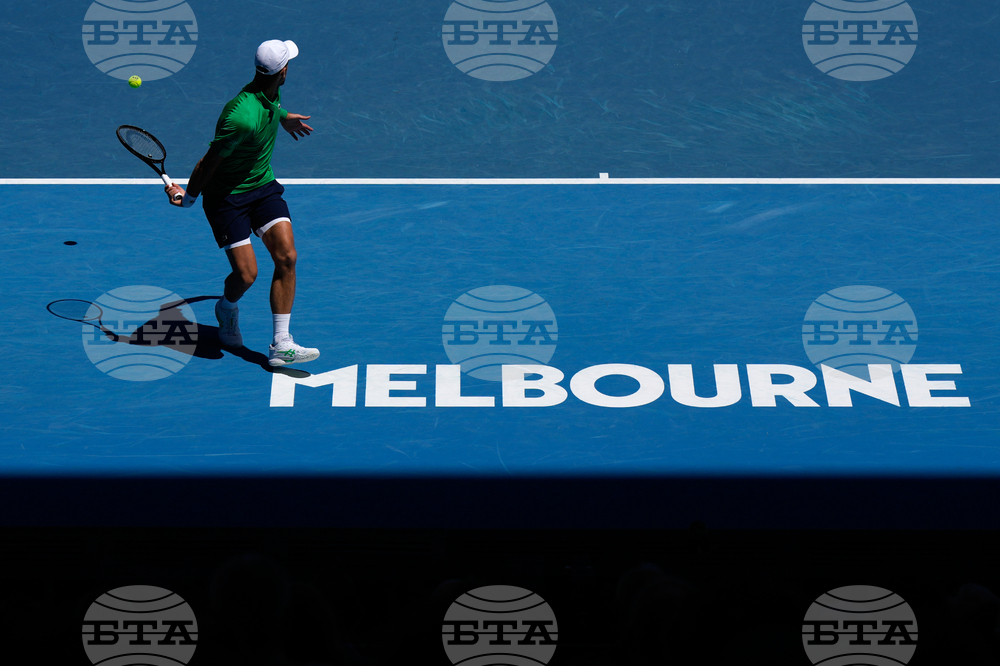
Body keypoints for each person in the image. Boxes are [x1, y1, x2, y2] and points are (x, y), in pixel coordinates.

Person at [166, 39, 319, 367]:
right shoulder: (240, 116)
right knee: (247, 275)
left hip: (263, 188)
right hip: (227, 200)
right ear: (283, 70)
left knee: (287, 257)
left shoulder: (270, 90)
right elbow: (207, 163)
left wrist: (284, 117)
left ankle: (281, 342)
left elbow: (270, 106)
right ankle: (226, 308)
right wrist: (188, 198)